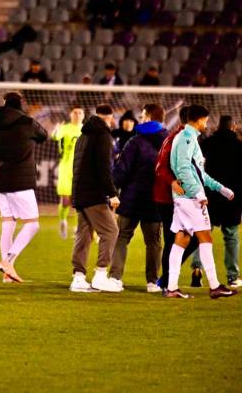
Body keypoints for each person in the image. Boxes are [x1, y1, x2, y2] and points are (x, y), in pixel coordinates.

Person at [164, 105, 237, 298]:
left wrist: (220, 189)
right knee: (206, 237)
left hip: (183, 198)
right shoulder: (187, 139)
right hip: (190, 199)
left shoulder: (187, 138)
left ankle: (171, 288)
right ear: (198, 120)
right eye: (205, 120)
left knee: (182, 239)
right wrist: (198, 193)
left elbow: (199, 173)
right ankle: (214, 286)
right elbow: (183, 170)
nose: (206, 123)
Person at [109, 104, 168, 292]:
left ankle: (115, 278)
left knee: (122, 237)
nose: (140, 119)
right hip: (156, 199)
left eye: (142, 116)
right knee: (154, 242)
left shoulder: (135, 142)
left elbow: (121, 170)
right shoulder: (169, 141)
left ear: (149, 117)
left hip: (132, 198)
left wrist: (111, 191)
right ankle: (153, 281)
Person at [0, 92, 47, 283]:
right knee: (32, 224)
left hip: (2, 179)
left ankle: (8, 275)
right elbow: (44, 135)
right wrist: (28, 116)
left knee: (8, 223)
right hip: (21, 180)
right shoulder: (27, 122)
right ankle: (8, 261)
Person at [69, 104, 122, 293]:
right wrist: (112, 193)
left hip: (80, 192)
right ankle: (100, 274)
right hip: (93, 194)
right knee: (111, 231)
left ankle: (78, 277)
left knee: (84, 235)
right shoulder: (103, 136)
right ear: (109, 117)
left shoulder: (83, 135)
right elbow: (103, 169)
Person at [154, 106, 200, 289]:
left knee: (190, 238)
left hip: (180, 198)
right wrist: (173, 182)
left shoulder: (188, 139)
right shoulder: (175, 139)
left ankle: (166, 278)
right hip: (168, 199)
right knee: (176, 239)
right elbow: (160, 167)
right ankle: (166, 281)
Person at [194, 116, 242, 288]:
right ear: (233, 127)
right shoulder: (239, 146)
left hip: (209, 195)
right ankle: (232, 276)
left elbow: (196, 166)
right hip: (232, 198)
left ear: (217, 126)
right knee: (231, 236)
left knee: (204, 233)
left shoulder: (207, 143)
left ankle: (197, 270)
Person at [51, 104, 84, 239]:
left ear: (83, 115)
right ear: (71, 114)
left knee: (80, 201)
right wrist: (56, 130)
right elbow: (55, 137)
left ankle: (78, 228)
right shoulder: (64, 128)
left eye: (80, 113)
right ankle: (63, 221)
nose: (77, 115)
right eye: (75, 113)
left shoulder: (86, 130)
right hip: (65, 167)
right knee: (65, 200)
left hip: (81, 168)